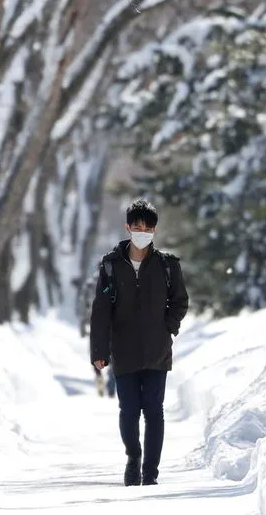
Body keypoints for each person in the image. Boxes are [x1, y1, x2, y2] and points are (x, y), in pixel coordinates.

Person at [89, 199, 189, 486]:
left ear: (155, 231)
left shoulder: (167, 266)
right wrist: (99, 351)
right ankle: (133, 458)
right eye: (137, 226)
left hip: (157, 352)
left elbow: (180, 301)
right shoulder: (110, 266)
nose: (142, 231)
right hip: (124, 351)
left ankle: (151, 472)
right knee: (129, 411)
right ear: (128, 228)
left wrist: (167, 327)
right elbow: (101, 310)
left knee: (154, 412)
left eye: (147, 227)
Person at [77, 272, 116, 398]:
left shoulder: (90, 284)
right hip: (111, 324)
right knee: (113, 353)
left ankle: (99, 376)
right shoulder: (112, 282)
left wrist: (83, 324)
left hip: (94, 324)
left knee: (96, 352)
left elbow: (83, 305)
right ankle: (111, 381)